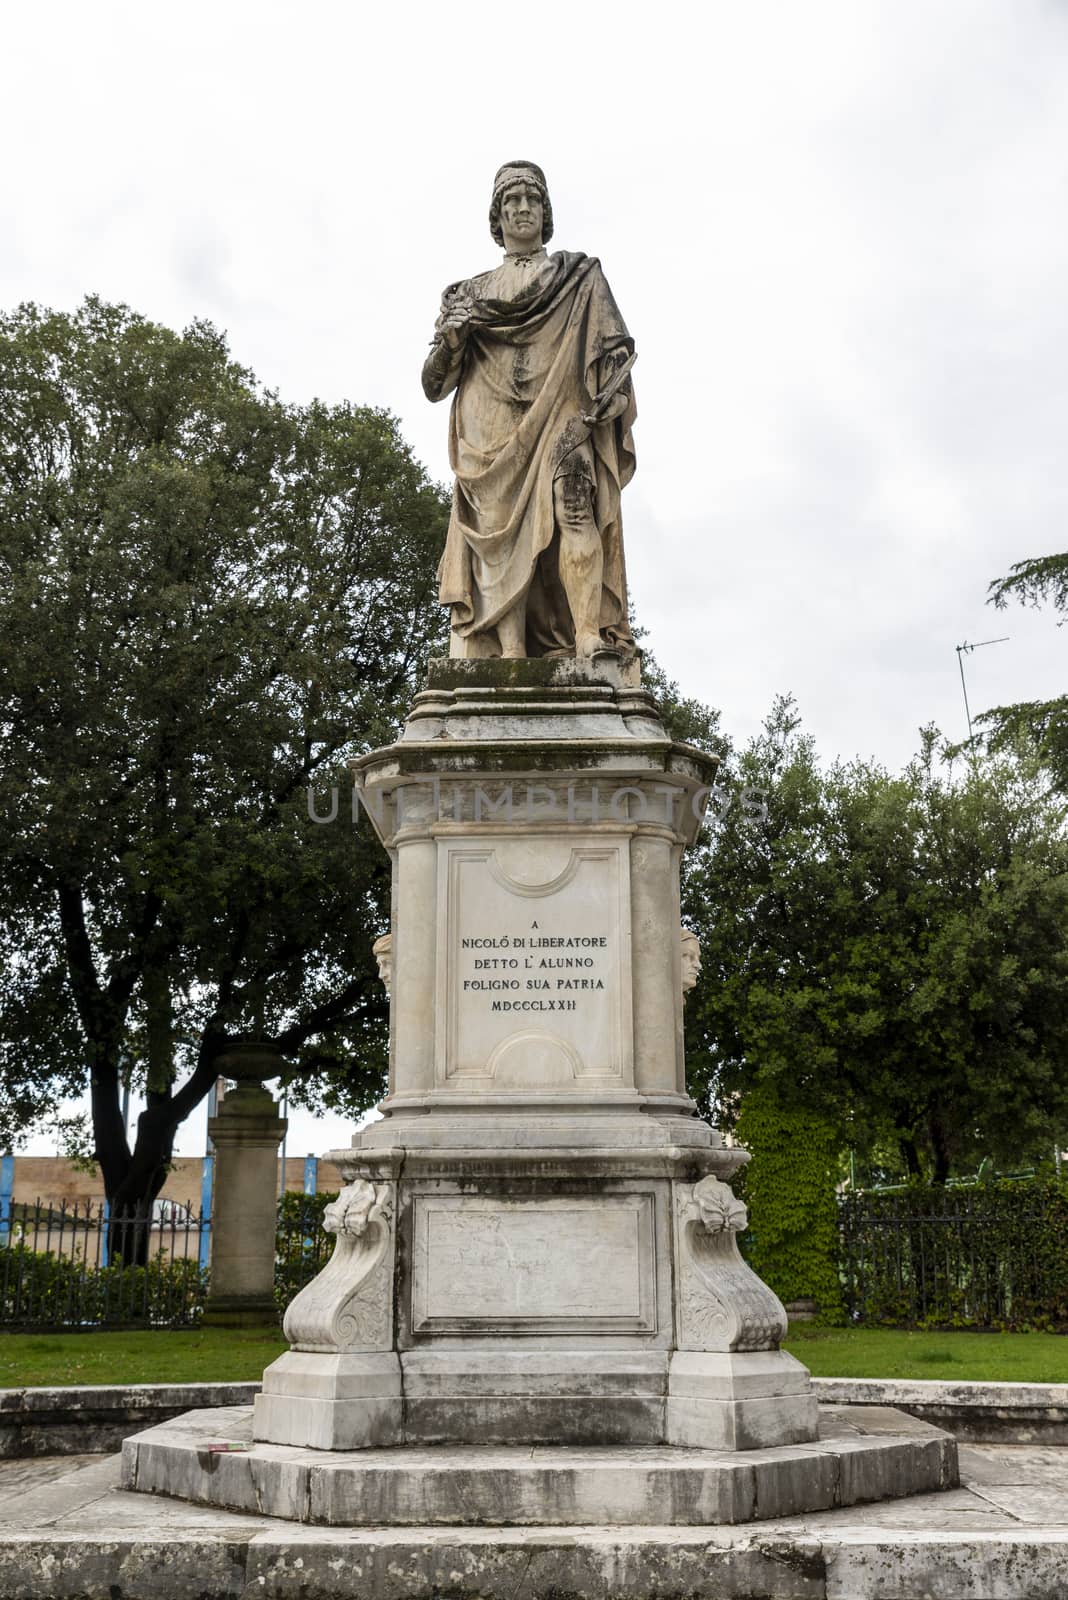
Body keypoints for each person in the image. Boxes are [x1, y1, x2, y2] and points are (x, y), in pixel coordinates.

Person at [424, 160, 637, 660]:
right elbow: (434, 384)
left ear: (546, 212)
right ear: (496, 217)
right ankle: (511, 653)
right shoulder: (468, 294)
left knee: (576, 502)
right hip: (490, 424)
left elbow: (610, 356)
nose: (523, 208)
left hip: (564, 409)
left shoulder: (579, 277)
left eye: (532, 199)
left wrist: (616, 394)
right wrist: (451, 341)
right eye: (511, 201)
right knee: (499, 538)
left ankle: (587, 636)